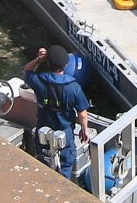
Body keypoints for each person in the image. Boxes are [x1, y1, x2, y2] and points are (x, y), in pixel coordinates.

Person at [23, 45, 90, 180]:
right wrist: (85, 129)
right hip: (65, 132)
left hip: (44, 129)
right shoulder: (74, 88)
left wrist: (38, 60)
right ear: (66, 65)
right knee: (65, 167)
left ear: (48, 62)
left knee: (44, 161)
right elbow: (82, 113)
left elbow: (27, 70)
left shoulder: (39, 80)